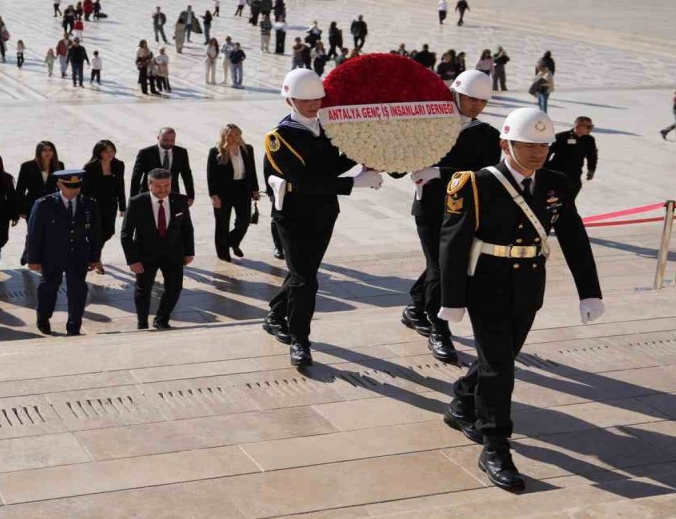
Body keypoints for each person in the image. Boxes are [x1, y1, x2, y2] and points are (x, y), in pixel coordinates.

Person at [438, 107, 603, 491]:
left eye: (543, 145)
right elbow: (453, 243)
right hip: (486, 284)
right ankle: (495, 445)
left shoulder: (556, 183)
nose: (537, 152)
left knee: (501, 357)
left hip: (529, 283)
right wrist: (452, 298)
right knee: (500, 368)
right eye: (528, 144)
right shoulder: (476, 184)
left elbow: (575, 236)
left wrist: (590, 291)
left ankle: (463, 399)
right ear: (505, 144)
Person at [263, 69, 384, 367]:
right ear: (289, 99)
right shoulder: (278, 138)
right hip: (293, 218)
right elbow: (304, 182)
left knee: (302, 272)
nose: (313, 104)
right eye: (305, 99)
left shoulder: (325, 129)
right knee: (306, 280)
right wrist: (354, 183)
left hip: (324, 213)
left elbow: (330, 167)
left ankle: (276, 315)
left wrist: (363, 156)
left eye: (317, 98)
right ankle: (300, 340)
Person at [401, 70, 501, 363]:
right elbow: (399, 161)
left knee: (442, 264)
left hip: (461, 212)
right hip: (430, 208)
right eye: (470, 98)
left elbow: (486, 175)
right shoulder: (429, 127)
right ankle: (439, 329)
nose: (475, 105)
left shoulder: (486, 134)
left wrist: (440, 172)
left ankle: (416, 308)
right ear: (455, 94)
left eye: (481, 101)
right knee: (442, 267)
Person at [26, 170, 103, 335]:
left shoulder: (89, 204)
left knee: (78, 290)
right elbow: (34, 234)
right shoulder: (44, 204)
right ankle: (43, 317)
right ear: (59, 184)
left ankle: (74, 323)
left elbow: (96, 233)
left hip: (78, 254)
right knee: (49, 287)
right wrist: (33, 258)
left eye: (77, 186)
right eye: (69, 186)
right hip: (52, 254)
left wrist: (95, 257)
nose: (74, 190)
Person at [120, 168, 194, 331]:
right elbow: (126, 234)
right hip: (145, 255)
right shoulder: (137, 202)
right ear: (149, 184)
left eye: (166, 185)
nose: (163, 190)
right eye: (159, 186)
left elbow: (187, 228)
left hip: (173, 253)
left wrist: (189, 252)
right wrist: (132, 260)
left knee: (175, 288)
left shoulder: (180, 200)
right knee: (143, 290)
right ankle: (142, 323)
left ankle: (162, 318)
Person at [206, 123, 259, 262]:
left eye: (236, 134)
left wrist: (255, 190)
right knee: (222, 223)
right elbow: (210, 175)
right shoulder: (215, 151)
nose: (234, 138)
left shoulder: (247, 149)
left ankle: (231, 242)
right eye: (230, 135)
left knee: (244, 221)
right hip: (223, 192)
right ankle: (223, 253)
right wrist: (213, 195)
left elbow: (252, 171)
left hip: (243, 190)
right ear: (224, 136)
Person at [82, 140, 127, 250]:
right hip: (94, 204)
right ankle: (95, 257)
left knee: (109, 231)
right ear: (99, 152)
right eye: (106, 152)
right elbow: (85, 189)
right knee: (96, 231)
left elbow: (120, 185)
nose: (110, 154)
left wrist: (122, 206)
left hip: (111, 203)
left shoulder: (118, 164)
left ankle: (93, 253)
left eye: (112, 151)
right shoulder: (90, 167)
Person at [131, 128, 195, 201]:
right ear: (158, 138)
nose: (169, 143)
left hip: (172, 195)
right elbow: (136, 177)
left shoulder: (181, 152)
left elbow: (187, 175)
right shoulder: (145, 153)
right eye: (165, 140)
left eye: (172, 140)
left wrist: (190, 196)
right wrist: (133, 199)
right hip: (150, 195)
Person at [545, 116, 598, 196]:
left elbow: (592, 156)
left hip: (575, 174)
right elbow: (547, 152)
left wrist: (591, 170)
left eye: (591, 127)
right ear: (578, 126)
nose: (590, 129)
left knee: (571, 197)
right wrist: (543, 168)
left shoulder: (589, 140)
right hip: (557, 172)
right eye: (588, 127)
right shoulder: (561, 137)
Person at [16, 141, 64, 226]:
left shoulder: (59, 165)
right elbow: (20, 189)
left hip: (52, 205)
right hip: (33, 205)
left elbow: (62, 186)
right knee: (34, 234)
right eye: (44, 150)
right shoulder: (27, 166)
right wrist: (21, 209)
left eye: (50, 150)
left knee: (51, 233)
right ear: (39, 152)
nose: (48, 152)